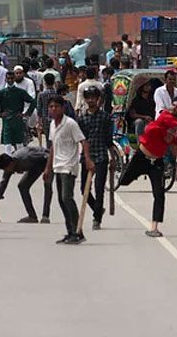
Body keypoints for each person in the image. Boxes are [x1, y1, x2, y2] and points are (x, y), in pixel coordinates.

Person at [121, 96, 177, 237]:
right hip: (141, 157)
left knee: (159, 194)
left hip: (156, 162)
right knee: (123, 182)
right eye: (173, 105)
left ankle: (154, 227)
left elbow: (175, 149)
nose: (174, 108)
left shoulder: (175, 130)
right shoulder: (165, 116)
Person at [45, 94, 92, 244]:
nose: (53, 109)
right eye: (51, 107)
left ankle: (78, 231)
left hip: (69, 165)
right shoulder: (52, 124)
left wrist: (88, 160)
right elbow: (52, 147)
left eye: (56, 106)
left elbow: (83, 141)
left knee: (67, 197)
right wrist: (47, 168)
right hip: (57, 165)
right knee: (61, 200)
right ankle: (70, 231)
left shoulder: (70, 123)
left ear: (63, 108)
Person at [77, 87, 112, 231]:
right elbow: (80, 139)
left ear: (98, 99)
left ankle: (97, 219)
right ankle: (97, 208)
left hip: (101, 156)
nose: (91, 100)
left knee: (99, 189)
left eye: (93, 97)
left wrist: (113, 159)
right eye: (88, 97)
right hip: (87, 157)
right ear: (85, 99)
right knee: (83, 188)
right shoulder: (82, 118)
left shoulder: (105, 117)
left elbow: (108, 139)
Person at [0, 145, 52, 223]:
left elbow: (47, 156)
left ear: (11, 163)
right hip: (34, 166)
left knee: (47, 185)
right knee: (22, 186)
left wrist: (47, 169)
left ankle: (45, 216)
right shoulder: (9, 165)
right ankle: (32, 216)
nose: (7, 171)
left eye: (7, 168)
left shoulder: (27, 156)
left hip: (47, 161)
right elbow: (4, 182)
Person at [0, 70, 35, 155]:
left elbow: (33, 101)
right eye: (8, 78)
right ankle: (10, 160)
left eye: (11, 78)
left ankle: (19, 160)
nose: (10, 80)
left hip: (17, 119)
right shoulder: (2, 92)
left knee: (19, 141)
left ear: (14, 79)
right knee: (8, 142)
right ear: (6, 79)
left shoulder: (20, 92)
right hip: (8, 120)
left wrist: (26, 113)